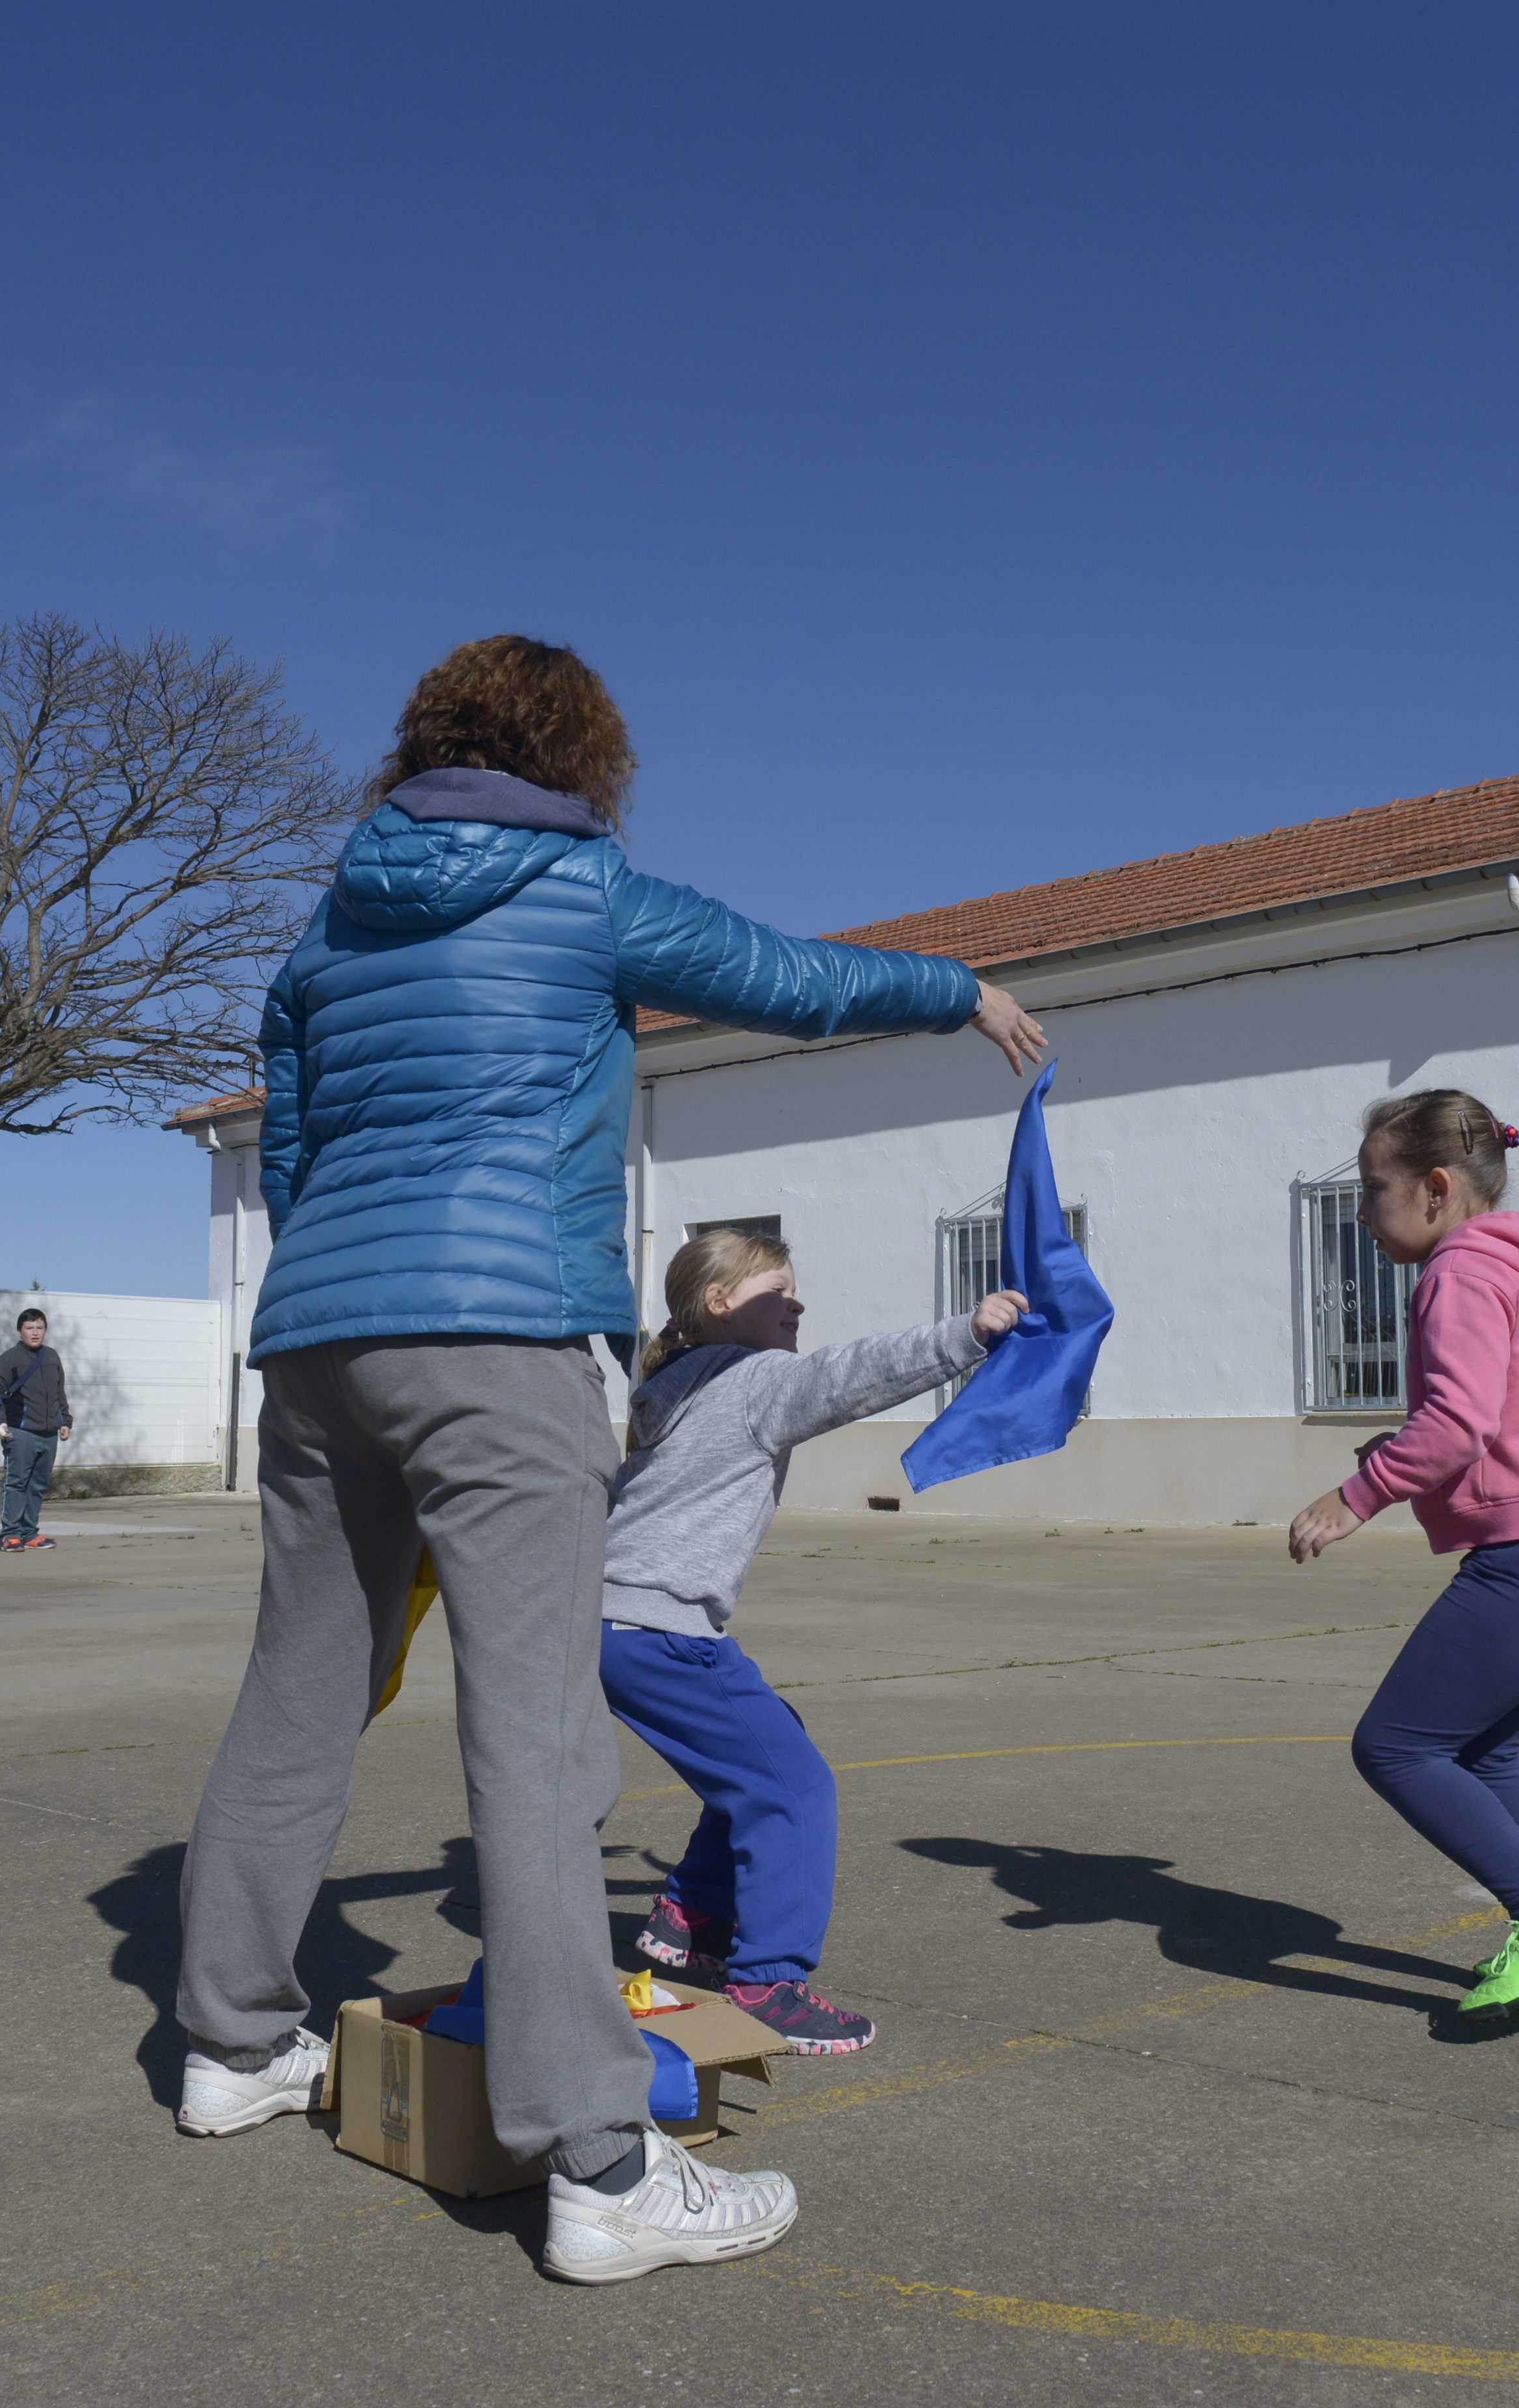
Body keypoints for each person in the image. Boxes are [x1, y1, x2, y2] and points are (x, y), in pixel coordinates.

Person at [172, 633, 1045, 2287]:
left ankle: (230, 2046)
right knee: (540, 1733)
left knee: (295, 1696)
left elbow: (287, 1146)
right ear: (580, 753)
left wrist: (357, 1287)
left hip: (318, 1342)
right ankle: (597, 2157)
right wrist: (956, 986)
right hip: (497, 1338)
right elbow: (790, 975)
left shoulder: (328, 925)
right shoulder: (579, 888)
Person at [605, 1228, 1028, 2055]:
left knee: (766, 1755)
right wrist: (966, 1335)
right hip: (662, 1627)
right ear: (719, 1303)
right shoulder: (754, 1378)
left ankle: (692, 1909)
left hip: (619, 1625)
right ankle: (767, 1978)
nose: (796, 1303)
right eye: (778, 1290)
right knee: (795, 1792)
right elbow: (849, 1377)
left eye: (799, 1290)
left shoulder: (673, 1380)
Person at [1284, 1089, 1519, 2021]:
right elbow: (1497, 1415)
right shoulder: (1517, 1264)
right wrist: (1400, 1454)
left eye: (1373, 1189)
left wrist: (1355, 1497)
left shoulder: (1459, 1275)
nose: (1362, 1213)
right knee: (1485, 1753)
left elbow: (1458, 1424)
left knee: (1397, 1747)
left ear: (1437, 1189)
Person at [0, 1307, 72, 1551]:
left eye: (40, 1328)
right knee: (16, 1483)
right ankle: (11, 1535)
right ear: (19, 1331)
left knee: (38, 1485)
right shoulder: (10, 1358)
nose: (35, 1333)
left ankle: (30, 1532)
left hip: (48, 1433)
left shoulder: (52, 1357)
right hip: (20, 1432)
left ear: (45, 1330)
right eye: (29, 1328)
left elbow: (59, 1393)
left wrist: (65, 1421)